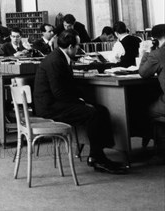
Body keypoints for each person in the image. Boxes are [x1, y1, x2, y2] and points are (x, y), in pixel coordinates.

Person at [33, 30, 127, 174]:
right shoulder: (55, 61)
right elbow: (59, 93)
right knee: (93, 113)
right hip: (49, 107)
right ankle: (97, 158)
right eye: (77, 46)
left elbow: (65, 88)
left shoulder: (59, 57)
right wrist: (81, 102)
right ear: (70, 47)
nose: (78, 49)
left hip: (55, 102)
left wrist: (82, 100)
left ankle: (99, 152)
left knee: (101, 109)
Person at [139, 24, 165, 159]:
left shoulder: (157, 54)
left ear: (154, 39)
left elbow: (143, 72)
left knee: (148, 109)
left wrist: (147, 52)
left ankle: (161, 150)